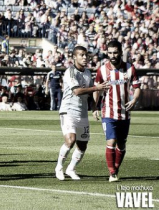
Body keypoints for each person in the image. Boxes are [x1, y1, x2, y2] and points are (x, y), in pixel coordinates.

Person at [55, 45, 110, 181]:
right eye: (81, 55)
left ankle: (71, 168)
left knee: (83, 145)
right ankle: (59, 167)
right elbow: (77, 91)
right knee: (71, 140)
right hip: (68, 110)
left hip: (82, 112)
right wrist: (96, 87)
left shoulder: (87, 73)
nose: (85, 58)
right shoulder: (70, 72)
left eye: (86, 55)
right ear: (75, 57)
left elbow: (90, 93)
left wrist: (94, 108)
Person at [93, 40, 141, 182]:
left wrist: (134, 100)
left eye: (115, 52)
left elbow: (137, 87)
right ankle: (112, 173)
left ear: (120, 52)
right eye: (110, 53)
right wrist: (95, 106)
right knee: (111, 142)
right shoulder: (102, 70)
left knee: (122, 144)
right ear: (107, 53)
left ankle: (116, 167)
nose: (112, 55)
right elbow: (96, 89)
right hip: (108, 112)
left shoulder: (129, 68)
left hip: (125, 113)